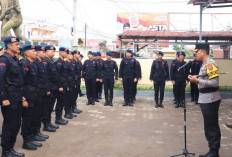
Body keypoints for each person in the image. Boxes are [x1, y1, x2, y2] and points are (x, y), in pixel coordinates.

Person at [188, 43, 221, 157]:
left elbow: (214, 83)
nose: (195, 54)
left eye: (196, 52)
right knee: (208, 126)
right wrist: (196, 78)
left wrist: (197, 81)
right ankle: (211, 150)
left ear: (202, 52)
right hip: (205, 98)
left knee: (212, 126)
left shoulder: (211, 64)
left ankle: (214, 152)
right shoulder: (205, 64)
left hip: (211, 99)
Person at [0, 36, 25, 157]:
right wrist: (3, 98)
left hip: (17, 96)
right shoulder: (4, 59)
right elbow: (0, 79)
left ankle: (11, 149)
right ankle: (6, 151)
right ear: (9, 45)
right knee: (10, 124)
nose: (18, 46)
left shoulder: (14, 59)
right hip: (9, 97)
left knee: (15, 125)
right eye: (16, 44)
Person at [20, 45, 43, 150]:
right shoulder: (24, 63)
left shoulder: (32, 64)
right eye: (33, 51)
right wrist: (23, 98)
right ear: (26, 53)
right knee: (27, 119)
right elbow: (21, 82)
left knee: (33, 117)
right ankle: (26, 141)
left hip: (34, 95)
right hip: (27, 95)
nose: (35, 53)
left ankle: (31, 138)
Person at [43, 45, 65, 131]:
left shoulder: (51, 61)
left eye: (54, 51)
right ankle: (46, 124)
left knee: (50, 107)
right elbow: (46, 78)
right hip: (50, 88)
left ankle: (49, 123)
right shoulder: (45, 62)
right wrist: (48, 89)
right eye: (51, 51)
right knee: (47, 108)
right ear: (46, 51)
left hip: (54, 87)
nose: (53, 52)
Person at [33, 45, 49, 141]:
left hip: (42, 92)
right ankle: (34, 133)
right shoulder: (34, 63)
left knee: (39, 113)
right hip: (37, 92)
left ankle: (37, 132)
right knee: (35, 115)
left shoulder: (41, 63)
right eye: (43, 52)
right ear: (38, 53)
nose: (44, 53)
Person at [55, 47, 74, 119]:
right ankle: (58, 118)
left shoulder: (64, 62)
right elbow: (58, 76)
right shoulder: (58, 63)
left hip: (65, 85)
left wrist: (67, 85)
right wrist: (60, 86)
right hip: (61, 86)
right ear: (60, 52)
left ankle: (60, 117)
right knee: (60, 103)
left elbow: (65, 75)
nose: (66, 54)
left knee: (63, 102)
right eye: (65, 52)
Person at [66, 50, 78, 118]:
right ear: (67, 55)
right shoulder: (65, 64)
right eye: (70, 54)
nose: (71, 56)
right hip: (68, 85)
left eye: (72, 55)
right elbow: (65, 76)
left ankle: (70, 112)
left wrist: (74, 83)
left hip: (72, 84)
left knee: (71, 99)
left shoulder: (71, 64)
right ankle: (67, 113)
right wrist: (66, 85)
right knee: (67, 100)